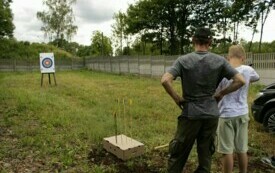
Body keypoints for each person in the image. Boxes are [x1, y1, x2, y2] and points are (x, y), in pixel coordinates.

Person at [161, 27, 246, 173]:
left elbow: (165, 80)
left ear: (193, 40)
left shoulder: (183, 60)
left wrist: (178, 99)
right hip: (211, 114)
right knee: (206, 153)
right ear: (210, 42)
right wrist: (220, 94)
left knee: (179, 152)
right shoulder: (220, 61)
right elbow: (240, 80)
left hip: (190, 114)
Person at [216, 45, 260, 173]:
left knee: (227, 151)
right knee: (242, 149)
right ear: (243, 58)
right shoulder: (248, 69)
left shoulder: (222, 71)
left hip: (225, 114)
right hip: (242, 113)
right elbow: (256, 78)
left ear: (228, 57)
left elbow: (216, 91)